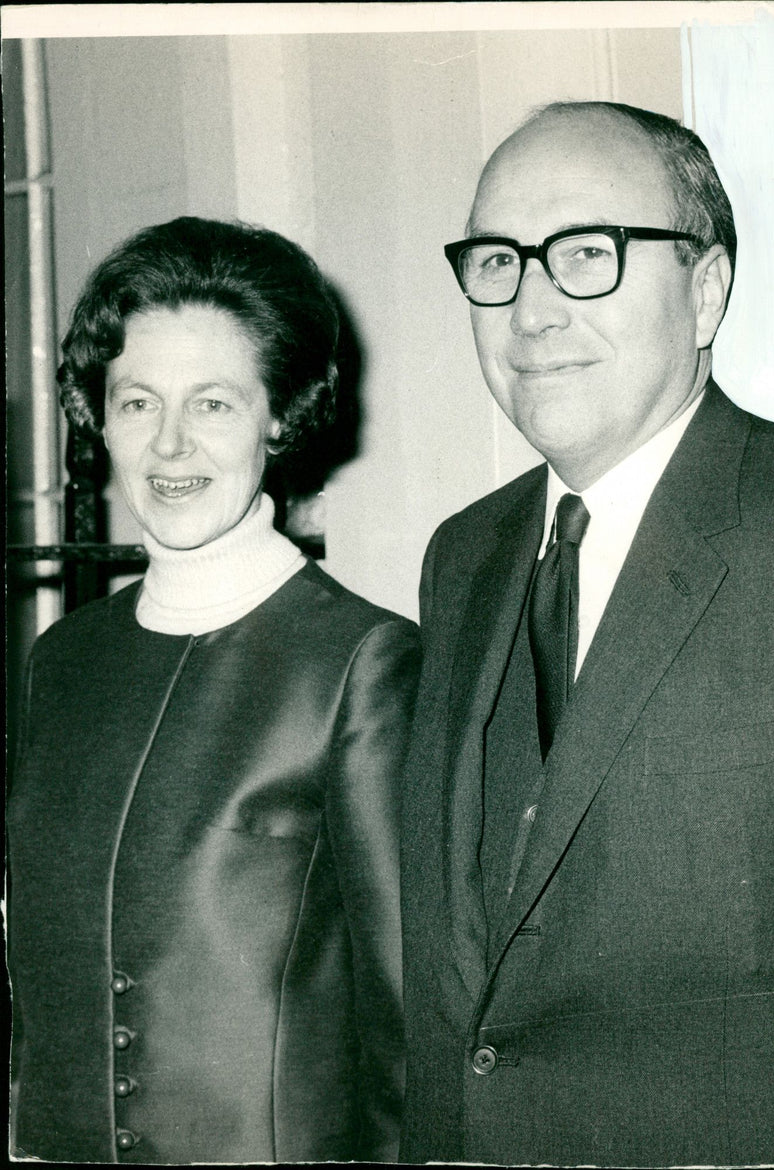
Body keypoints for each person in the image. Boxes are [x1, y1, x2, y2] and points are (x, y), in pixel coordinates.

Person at [400, 102, 774, 1167]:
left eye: (586, 255)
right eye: (497, 262)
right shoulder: (462, 557)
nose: (529, 310)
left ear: (704, 289)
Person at [8, 216, 420, 1165]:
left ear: (280, 414)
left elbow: (406, 1025)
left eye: (216, 405)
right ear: (97, 415)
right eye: (138, 403)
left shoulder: (362, 663)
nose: (171, 446)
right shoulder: (62, 664)